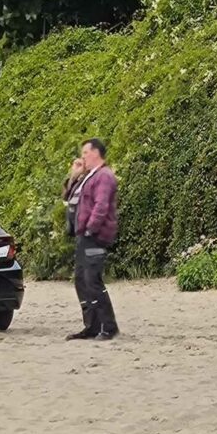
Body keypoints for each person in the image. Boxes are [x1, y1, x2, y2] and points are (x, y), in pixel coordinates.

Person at [68, 138, 120, 341]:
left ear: (96, 152)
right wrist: (74, 175)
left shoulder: (104, 176)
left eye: (85, 153)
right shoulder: (89, 176)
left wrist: (90, 229)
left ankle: (108, 326)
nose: (82, 157)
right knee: (82, 280)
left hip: (94, 236)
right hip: (83, 236)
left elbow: (101, 205)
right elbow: (68, 196)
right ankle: (91, 325)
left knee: (92, 280)